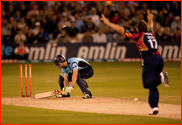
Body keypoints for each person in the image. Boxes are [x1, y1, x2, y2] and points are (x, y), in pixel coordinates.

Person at [101, 10, 170, 115]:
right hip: (159, 58)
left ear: (138, 29)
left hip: (150, 59)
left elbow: (121, 30)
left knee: (146, 83)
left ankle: (161, 77)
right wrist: (150, 19)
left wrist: (107, 23)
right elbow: (150, 26)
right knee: (152, 85)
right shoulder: (151, 33)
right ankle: (154, 107)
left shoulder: (138, 35)